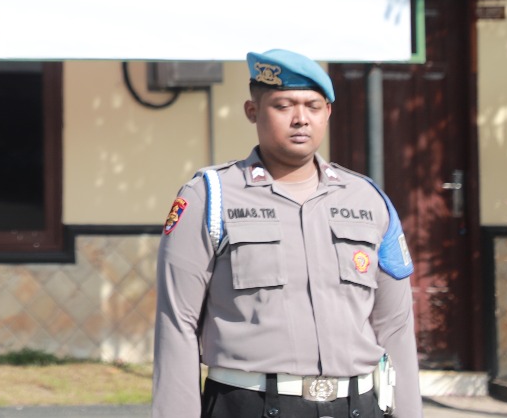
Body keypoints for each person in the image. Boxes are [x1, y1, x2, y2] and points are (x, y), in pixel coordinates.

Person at [151, 48, 421, 418]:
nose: (300, 119)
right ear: (253, 111)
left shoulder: (369, 199)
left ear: (328, 113)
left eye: (313, 106)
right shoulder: (208, 197)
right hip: (250, 405)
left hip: (357, 406)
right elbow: (177, 321)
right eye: (283, 106)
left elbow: (395, 325)